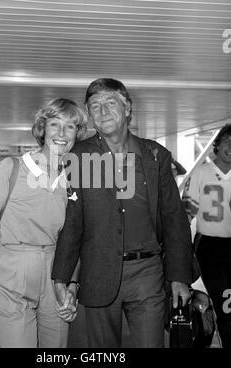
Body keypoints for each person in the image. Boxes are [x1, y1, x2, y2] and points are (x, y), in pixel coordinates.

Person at [51, 78, 193, 348]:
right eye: (94, 106)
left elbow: (174, 219)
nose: (102, 112)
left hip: (147, 274)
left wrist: (179, 277)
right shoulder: (78, 157)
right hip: (97, 270)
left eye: (110, 103)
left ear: (128, 108)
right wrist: (64, 276)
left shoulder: (155, 155)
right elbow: (72, 221)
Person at [0, 98, 86, 348]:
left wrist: (72, 286)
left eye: (69, 127)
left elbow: (75, 237)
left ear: (77, 134)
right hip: (12, 272)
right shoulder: (12, 168)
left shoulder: (75, 177)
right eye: (54, 124)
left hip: (56, 274)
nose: (61, 133)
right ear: (42, 129)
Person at [182, 124, 231, 348]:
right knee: (223, 300)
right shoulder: (201, 173)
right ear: (217, 145)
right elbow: (185, 214)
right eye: (226, 141)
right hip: (210, 246)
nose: (230, 146)